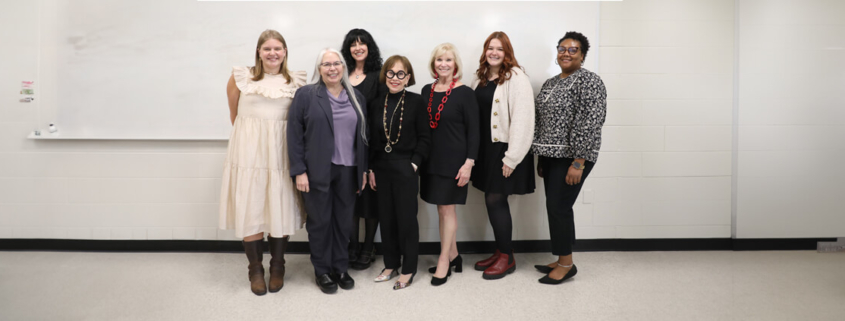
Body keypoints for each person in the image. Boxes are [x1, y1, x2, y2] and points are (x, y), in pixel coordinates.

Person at [219, 29, 306, 296]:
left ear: (285, 51)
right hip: (248, 153)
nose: (272, 53)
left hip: (281, 154)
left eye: (277, 48)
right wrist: (255, 140)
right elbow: (235, 116)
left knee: (279, 205)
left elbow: (299, 122)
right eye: (267, 48)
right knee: (252, 205)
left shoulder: (296, 82)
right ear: (258, 51)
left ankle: (277, 266)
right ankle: (255, 269)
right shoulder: (240, 78)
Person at [288, 48, 369, 294]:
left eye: (336, 63)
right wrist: (299, 170)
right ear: (319, 69)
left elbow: (363, 138)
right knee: (320, 222)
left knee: (343, 222)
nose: (332, 68)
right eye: (326, 64)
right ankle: (322, 270)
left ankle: (340, 267)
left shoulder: (357, 97)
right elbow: (294, 135)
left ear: (343, 67)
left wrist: (363, 171)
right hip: (316, 171)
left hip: (348, 170)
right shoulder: (306, 95)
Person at [532, 31, 607, 285]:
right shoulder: (551, 83)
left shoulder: (590, 81)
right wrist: (541, 157)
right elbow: (541, 120)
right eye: (562, 48)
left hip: (573, 157)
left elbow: (590, 122)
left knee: (558, 207)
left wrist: (579, 162)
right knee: (556, 208)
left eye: (573, 49)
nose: (566, 53)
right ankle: (563, 257)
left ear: (582, 55)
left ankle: (566, 264)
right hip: (550, 155)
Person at [469, 31, 536, 280]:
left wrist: (512, 157)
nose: (494, 53)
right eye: (490, 48)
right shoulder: (482, 78)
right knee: (491, 199)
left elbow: (524, 119)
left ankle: (507, 258)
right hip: (487, 148)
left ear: (507, 52)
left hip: (505, 149)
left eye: (499, 49)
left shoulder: (516, 77)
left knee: (496, 200)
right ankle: (500, 251)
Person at [367, 55, 430, 290]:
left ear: (408, 77)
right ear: (385, 75)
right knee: (387, 219)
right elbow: (372, 141)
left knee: (406, 221)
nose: (395, 78)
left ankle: (409, 268)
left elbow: (425, 138)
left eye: (400, 74)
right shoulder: (376, 103)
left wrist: (414, 164)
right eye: (391, 73)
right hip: (381, 168)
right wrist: (371, 168)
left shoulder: (416, 101)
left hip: (405, 168)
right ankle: (390, 264)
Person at [419, 43, 479, 286]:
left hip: (455, 162)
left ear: (456, 65)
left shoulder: (465, 93)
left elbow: (474, 132)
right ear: (433, 64)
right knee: (440, 208)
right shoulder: (426, 90)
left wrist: (469, 163)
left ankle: (444, 260)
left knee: (447, 209)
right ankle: (454, 255)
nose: (443, 64)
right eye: (439, 60)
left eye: (448, 60)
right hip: (431, 159)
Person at [340, 29, 385, 270]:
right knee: (351, 198)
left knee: (370, 197)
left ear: (369, 47)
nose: (358, 48)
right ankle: (352, 246)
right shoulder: (342, 73)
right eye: (353, 44)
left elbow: (381, 112)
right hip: (346, 146)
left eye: (362, 43)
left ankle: (369, 246)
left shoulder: (378, 76)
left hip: (371, 144)